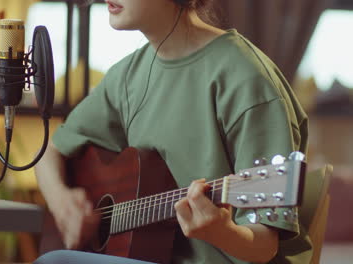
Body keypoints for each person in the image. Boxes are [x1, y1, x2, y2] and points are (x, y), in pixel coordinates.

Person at [34, 0, 310, 263]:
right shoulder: (127, 75)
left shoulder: (246, 79)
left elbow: (264, 246)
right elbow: (50, 152)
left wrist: (221, 232)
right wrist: (61, 201)